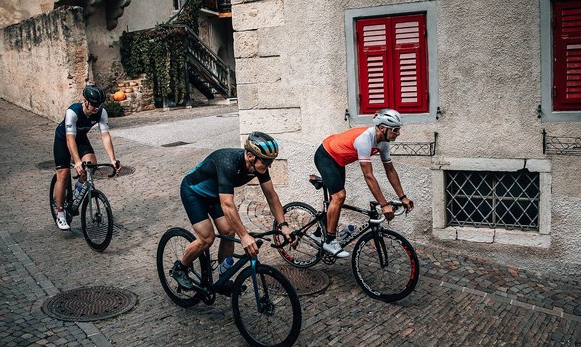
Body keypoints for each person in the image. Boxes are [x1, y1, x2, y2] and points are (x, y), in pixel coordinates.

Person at [171, 132, 295, 289]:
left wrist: (283, 225)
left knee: (228, 232)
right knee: (207, 238)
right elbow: (228, 204)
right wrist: (244, 236)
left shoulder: (259, 166)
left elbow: (271, 196)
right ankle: (180, 268)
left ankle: (224, 277)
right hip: (193, 192)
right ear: (250, 156)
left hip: (215, 195)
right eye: (266, 161)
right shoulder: (228, 162)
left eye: (271, 161)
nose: (269, 165)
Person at [314, 108, 415, 257]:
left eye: (398, 129)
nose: (398, 133)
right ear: (382, 128)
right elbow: (368, 175)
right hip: (326, 156)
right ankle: (329, 240)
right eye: (395, 130)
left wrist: (402, 197)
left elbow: (390, 171)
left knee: (335, 200)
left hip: (339, 160)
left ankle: (318, 232)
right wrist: (384, 204)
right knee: (339, 196)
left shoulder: (384, 142)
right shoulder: (365, 139)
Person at [53, 85, 121, 230]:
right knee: (63, 175)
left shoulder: (101, 112)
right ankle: (60, 212)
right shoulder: (73, 112)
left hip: (81, 139)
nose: (96, 108)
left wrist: (112, 159)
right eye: (94, 105)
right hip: (63, 139)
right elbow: (70, 139)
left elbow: (105, 136)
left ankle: (75, 197)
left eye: (99, 105)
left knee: (91, 165)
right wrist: (77, 161)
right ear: (85, 101)